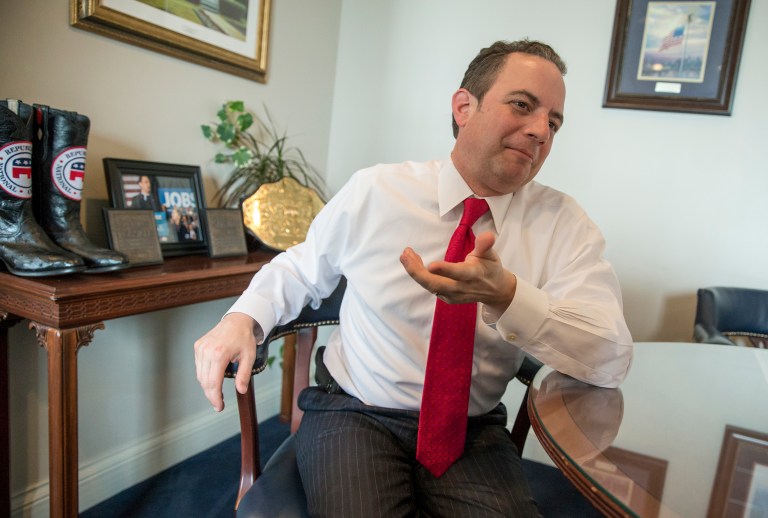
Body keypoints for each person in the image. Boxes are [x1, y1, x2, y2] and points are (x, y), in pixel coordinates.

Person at [195, 39, 633, 517]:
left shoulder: (565, 225)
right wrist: (242, 318)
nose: (540, 132)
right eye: (522, 106)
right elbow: (301, 267)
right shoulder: (378, 191)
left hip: (471, 429)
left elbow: (610, 358)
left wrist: (510, 297)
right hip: (355, 411)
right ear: (464, 106)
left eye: (553, 122)